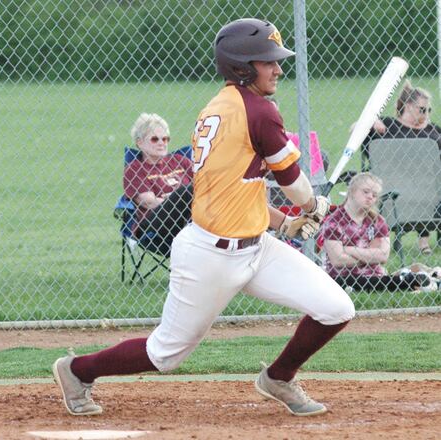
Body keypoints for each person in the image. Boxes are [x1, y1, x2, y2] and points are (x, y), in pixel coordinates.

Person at [52, 18, 354, 418]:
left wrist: (283, 223)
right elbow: (297, 187)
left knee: (336, 308)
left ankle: (279, 377)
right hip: (210, 256)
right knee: (165, 354)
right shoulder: (258, 111)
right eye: (268, 62)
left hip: (256, 248)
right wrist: (311, 206)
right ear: (242, 66)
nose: (278, 69)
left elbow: (236, 189)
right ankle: (77, 370)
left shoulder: (220, 108)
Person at [320, 172, 437, 292]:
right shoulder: (334, 221)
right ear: (351, 192)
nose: (370, 197)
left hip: (374, 276)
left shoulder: (377, 221)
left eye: (374, 195)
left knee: (382, 279)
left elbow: (383, 256)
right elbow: (338, 260)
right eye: (365, 192)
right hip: (342, 278)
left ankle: (417, 279)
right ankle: (413, 281)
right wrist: (370, 256)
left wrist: (348, 250)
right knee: (353, 281)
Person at [361, 81, 441, 254]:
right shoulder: (387, 125)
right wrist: (370, 123)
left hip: (429, 188)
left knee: (429, 185)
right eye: (422, 109)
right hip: (396, 190)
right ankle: (423, 241)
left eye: (429, 110)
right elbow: (356, 131)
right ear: (408, 106)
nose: (426, 114)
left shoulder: (434, 129)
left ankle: (424, 240)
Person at [124, 113, 193, 256]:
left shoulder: (181, 161)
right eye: (155, 139)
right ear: (140, 143)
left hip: (193, 219)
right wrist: (178, 199)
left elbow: (206, 187)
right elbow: (149, 202)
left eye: (165, 138)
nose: (162, 143)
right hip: (155, 226)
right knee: (187, 191)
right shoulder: (135, 169)